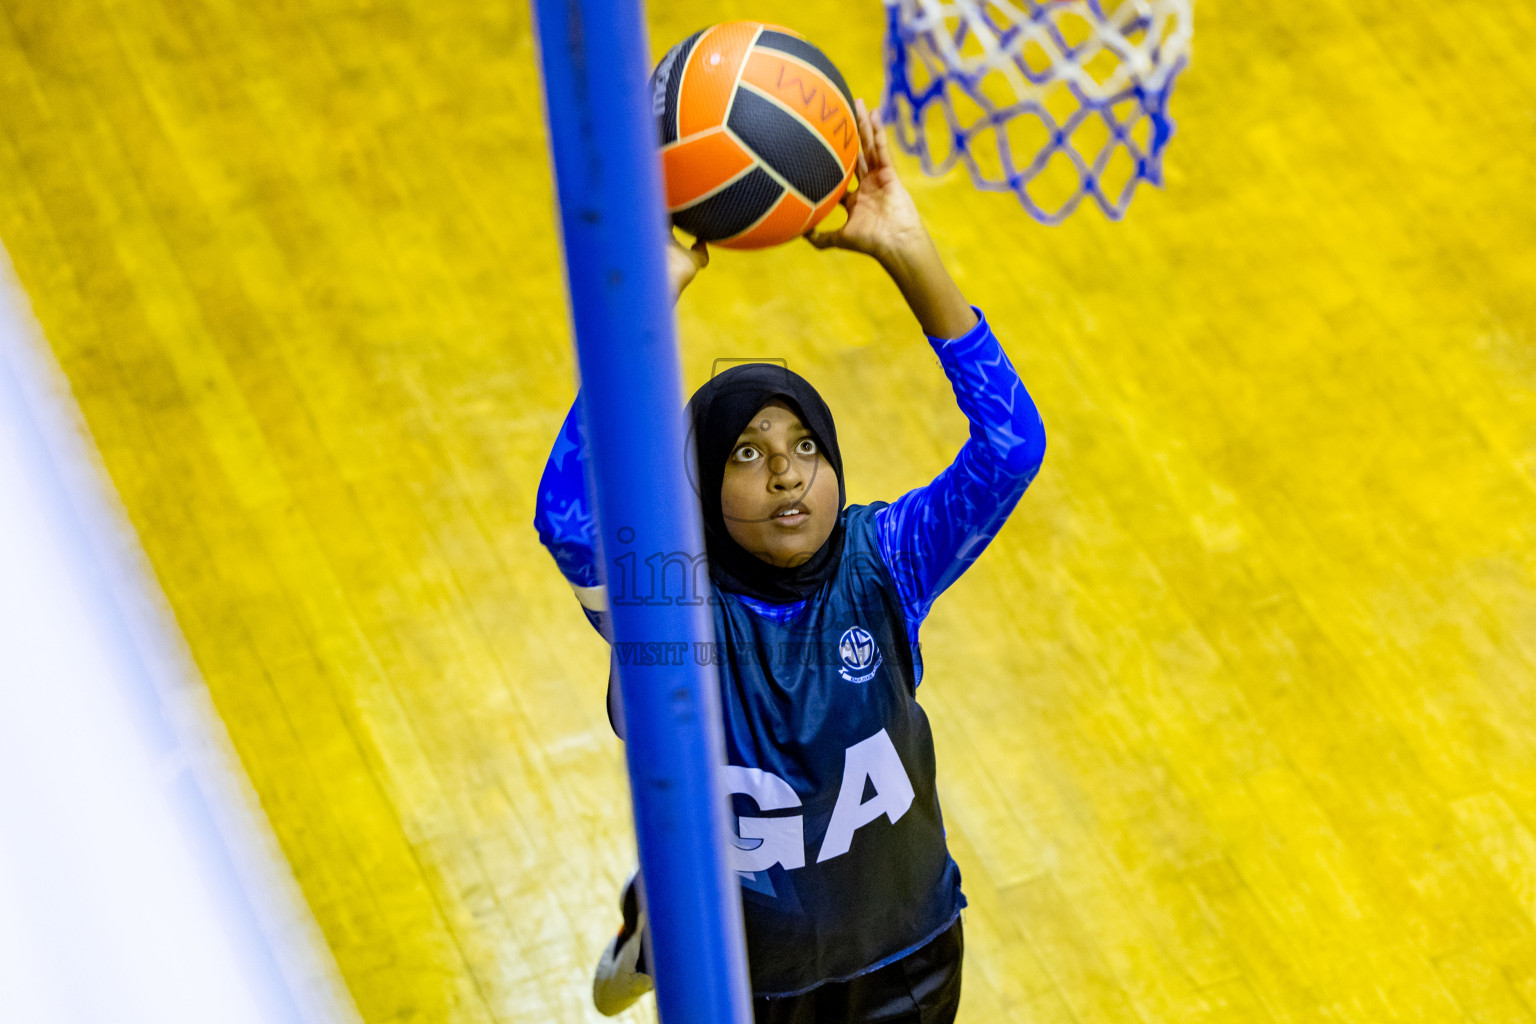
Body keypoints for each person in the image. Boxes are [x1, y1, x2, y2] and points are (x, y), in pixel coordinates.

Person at [533, 100, 1046, 1023]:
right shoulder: (671, 606)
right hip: (741, 981)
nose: (785, 474)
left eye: (807, 445)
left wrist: (906, 249)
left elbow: (1009, 451)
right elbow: (567, 518)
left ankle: (665, 889)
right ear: (699, 492)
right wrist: (641, 308)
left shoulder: (884, 560)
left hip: (907, 956)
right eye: (746, 453)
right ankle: (663, 912)